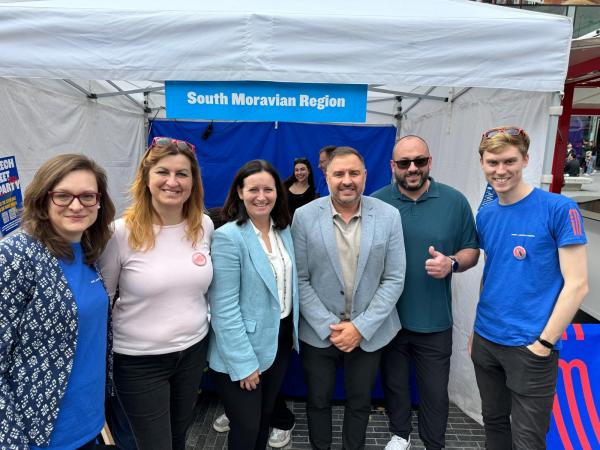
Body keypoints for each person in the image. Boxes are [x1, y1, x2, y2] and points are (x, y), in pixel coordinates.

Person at [471, 126, 589, 450]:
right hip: (486, 339)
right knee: (493, 424)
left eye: (509, 161)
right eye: (492, 162)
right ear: (482, 163)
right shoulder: (486, 214)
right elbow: (492, 272)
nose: (500, 170)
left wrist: (544, 343)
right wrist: (476, 331)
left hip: (531, 346)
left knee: (528, 439)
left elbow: (578, 285)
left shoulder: (559, 209)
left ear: (525, 159)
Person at [99, 137, 213, 450]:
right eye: (163, 172)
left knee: (179, 437)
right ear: (146, 178)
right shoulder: (119, 232)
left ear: (193, 181)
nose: (173, 182)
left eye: (183, 174)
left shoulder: (203, 225)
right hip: (138, 360)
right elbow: (105, 299)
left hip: (192, 352)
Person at [292, 146, 406, 450]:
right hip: (319, 332)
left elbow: (394, 278)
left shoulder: (388, 216)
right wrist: (331, 326)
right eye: (338, 173)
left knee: (360, 402)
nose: (347, 180)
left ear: (365, 176)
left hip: (368, 332)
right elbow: (299, 279)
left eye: (354, 173)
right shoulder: (303, 217)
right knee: (317, 401)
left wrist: (360, 327)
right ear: (326, 176)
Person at [0, 154, 116, 449]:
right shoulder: (16, 256)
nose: (76, 206)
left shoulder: (88, 249)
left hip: (89, 424)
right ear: (43, 200)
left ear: (99, 202)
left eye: (87, 196)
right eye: (63, 196)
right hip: (39, 436)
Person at [372, 135, 480, 450]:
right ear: (393, 166)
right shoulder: (377, 203)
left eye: (420, 161)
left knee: (434, 392)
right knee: (395, 386)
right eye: (404, 163)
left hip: (435, 319)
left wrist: (453, 263)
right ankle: (399, 435)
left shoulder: (454, 201)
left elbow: (472, 249)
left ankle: (434, 443)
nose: (413, 168)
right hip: (389, 318)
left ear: (429, 162)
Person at [208, 159, 300, 450]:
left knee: (263, 421)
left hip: (279, 340)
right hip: (242, 349)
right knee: (246, 430)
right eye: (253, 189)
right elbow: (223, 308)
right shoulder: (228, 237)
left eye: (268, 189)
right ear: (239, 192)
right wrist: (244, 364)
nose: (261, 196)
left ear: (278, 193)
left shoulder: (283, 231)